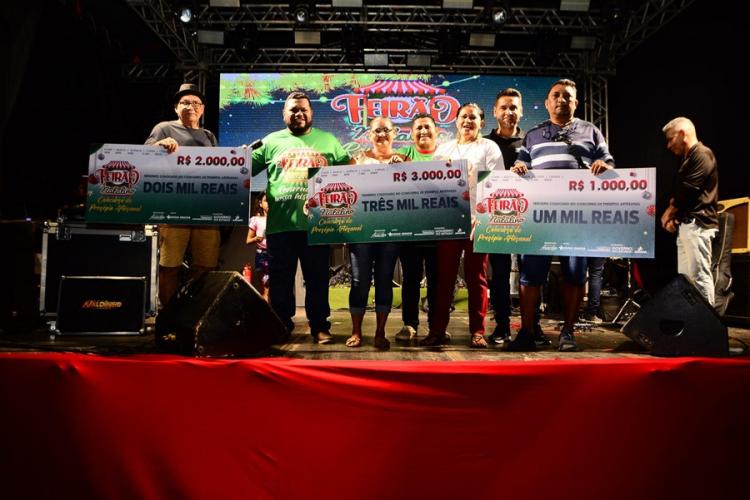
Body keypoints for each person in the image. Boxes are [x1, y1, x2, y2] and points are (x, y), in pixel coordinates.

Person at [509, 79, 615, 352]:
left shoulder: (591, 131)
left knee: (575, 275)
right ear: (547, 103)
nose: (561, 99)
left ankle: (568, 332)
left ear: (575, 103)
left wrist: (603, 164)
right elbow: (521, 162)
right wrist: (518, 168)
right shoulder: (533, 134)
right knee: (530, 276)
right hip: (538, 217)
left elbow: (608, 161)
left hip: (577, 217)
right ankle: (527, 332)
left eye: (567, 96)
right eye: (556, 95)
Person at [252, 91, 349, 344]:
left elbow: (349, 173)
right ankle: (281, 325)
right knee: (280, 282)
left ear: (311, 113)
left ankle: (320, 327)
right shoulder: (270, 141)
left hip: (317, 226)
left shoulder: (329, 141)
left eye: (303, 109)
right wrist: (238, 156)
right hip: (280, 226)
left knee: (317, 280)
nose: (299, 114)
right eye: (293, 109)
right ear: (284, 114)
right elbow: (244, 168)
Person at [420, 103, 503, 348]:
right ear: (456, 121)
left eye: (473, 117)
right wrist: (439, 170)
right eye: (464, 117)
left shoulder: (489, 147)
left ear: (482, 122)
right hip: (449, 220)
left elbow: (496, 183)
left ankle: (477, 331)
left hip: (479, 220)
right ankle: (437, 330)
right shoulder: (444, 149)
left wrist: (482, 217)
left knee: (476, 278)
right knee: (444, 277)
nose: (468, 121)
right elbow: (431, 186)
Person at [484, 88, 551, 347]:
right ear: (495, 111)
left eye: (514, 107)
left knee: (531, 276)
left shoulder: (532, 142)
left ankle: (532, 327)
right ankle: (502, 326)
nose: (509, 112)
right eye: (504, 107)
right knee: (499, 276)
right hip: (496, 218)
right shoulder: (486, 144)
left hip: (529, 217)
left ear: (521, 111)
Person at [145, 83, 219, 307]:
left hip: (205, 208)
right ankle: (169, 315)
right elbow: (143, 154)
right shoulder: (164, 128)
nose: (191, 106)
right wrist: (160, 144)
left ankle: (194, 311)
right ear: (176, 107)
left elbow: (219, 169)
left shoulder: (209, 136)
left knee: (206, 265)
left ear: (202, 109)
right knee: (170, 265)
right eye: (185, 102)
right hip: (173, 207)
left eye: (196, 103)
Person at [345, 117, 408, 349]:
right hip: (361, 231)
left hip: (391, 230)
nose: (381, 134)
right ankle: (356, 331)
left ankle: (380, 333)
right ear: (369, 134)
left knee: (384, 280)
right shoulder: (357, 160)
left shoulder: (404, 160)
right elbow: (344, 191)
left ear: (394, 133)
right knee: (359, 282)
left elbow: (413, 194)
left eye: (386, 130)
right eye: (376, 130)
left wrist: (404, 171)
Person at [660, 117, 719, 305]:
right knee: (686, 281)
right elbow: (680, 194)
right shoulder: (687, 159)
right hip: (688, 226)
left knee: (699, 277)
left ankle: (708, 321)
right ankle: (692, 319)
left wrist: (668, 213)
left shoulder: (702, 154)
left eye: (670, 139)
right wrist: (675, 216)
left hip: (698, 225)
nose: (668, 145)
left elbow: (688, 191)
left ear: (682, 134)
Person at [395, 114, 439, 341]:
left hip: (439, 230)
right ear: (412, 133)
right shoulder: (403, 155)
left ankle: (436, 326)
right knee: (411, 279)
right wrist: (392, 167)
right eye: (418, 128)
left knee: (437, 282)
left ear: (437, 131)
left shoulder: (446, 155)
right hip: (410, 230)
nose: (423, 131)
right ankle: (409, 324)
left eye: (427, 127)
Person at [246, 191, 269, 301]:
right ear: (260, 203)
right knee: (265, 288)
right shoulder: (256, 220)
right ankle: (265, 309)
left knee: (276, 288)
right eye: (266, 201)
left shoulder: (279, 220)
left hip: (277, 254)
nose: (269, 203)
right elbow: (248, 240)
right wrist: (256, 238)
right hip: (262, 255)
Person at [582, 257, 606, 323]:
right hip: (598, 251)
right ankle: (591, 314)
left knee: (578, 273)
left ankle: (573, 312)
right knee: (596, 274)